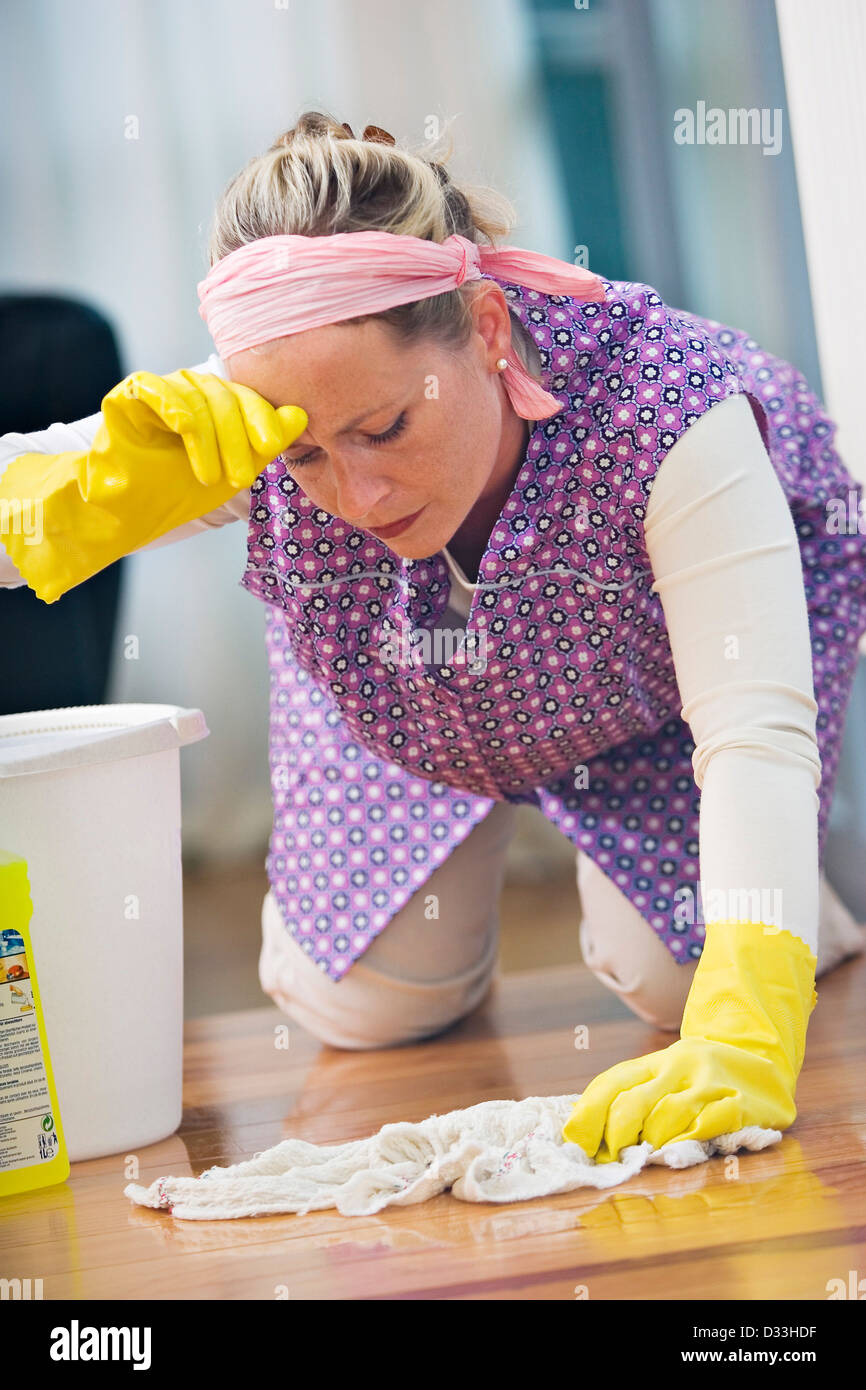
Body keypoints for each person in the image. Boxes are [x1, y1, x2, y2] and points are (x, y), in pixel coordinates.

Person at [3, 110, 866, 1162]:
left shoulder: (666, 407)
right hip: (402, 693)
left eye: (386, 428)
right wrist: (87, 490)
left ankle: (794, 905)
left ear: (487, 328)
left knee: (681, 980)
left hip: (644, 699)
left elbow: (750, 730)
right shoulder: (249, 415)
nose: (356, 495)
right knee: (357, 1006)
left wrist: (745, 1016)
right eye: (310, 459)